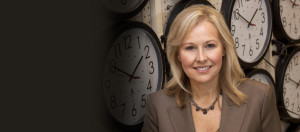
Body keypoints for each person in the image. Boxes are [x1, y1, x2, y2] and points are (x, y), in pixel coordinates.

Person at [142, 5, 281, 132]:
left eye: (210, 45)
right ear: (177, 54)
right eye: (190, 48)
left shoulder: (260, 97)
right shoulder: (157, 105)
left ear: (224, 49)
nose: (201, 58)